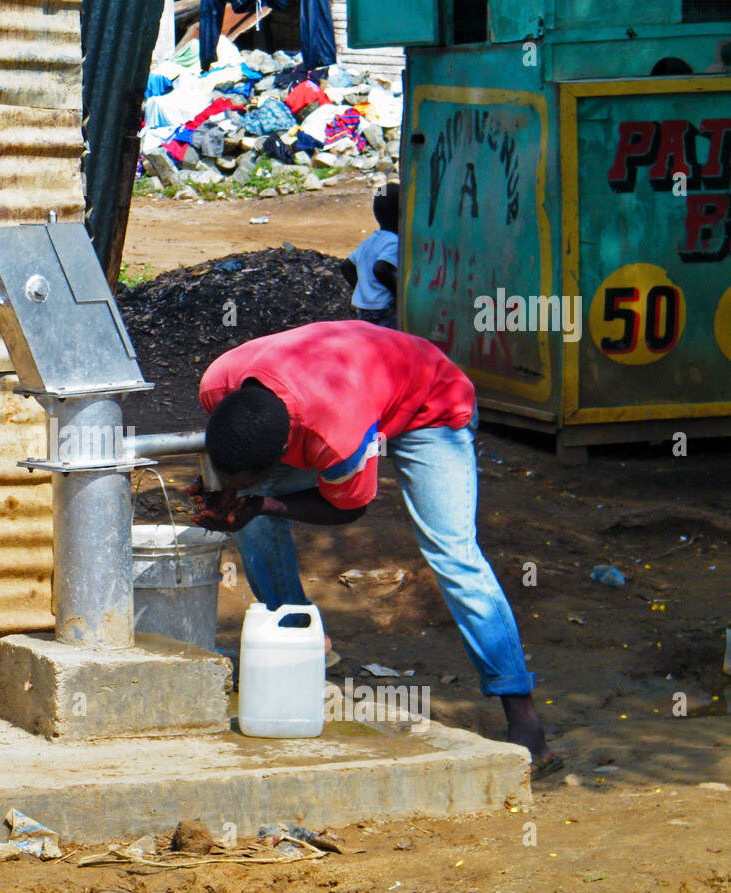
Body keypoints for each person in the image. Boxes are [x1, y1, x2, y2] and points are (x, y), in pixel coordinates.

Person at [190, 320, 561, 778]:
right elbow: (227, 458)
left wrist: (262, 501)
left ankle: (522, 714)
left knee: (453, 553)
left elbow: (347, 510)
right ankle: (299, 652)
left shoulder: (333, 434)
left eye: (250, 475)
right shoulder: (218, 386)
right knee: (249, 516)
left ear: (288, 449)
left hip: (430, 404)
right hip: (358, 385)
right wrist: (218, 487)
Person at [340, 182, 399, 328]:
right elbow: (380, 269)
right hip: (384, 308)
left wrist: (363, 290)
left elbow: (346, 265)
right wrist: (398, 293)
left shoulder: (369, 241)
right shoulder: (394, 242)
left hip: (365, 309)